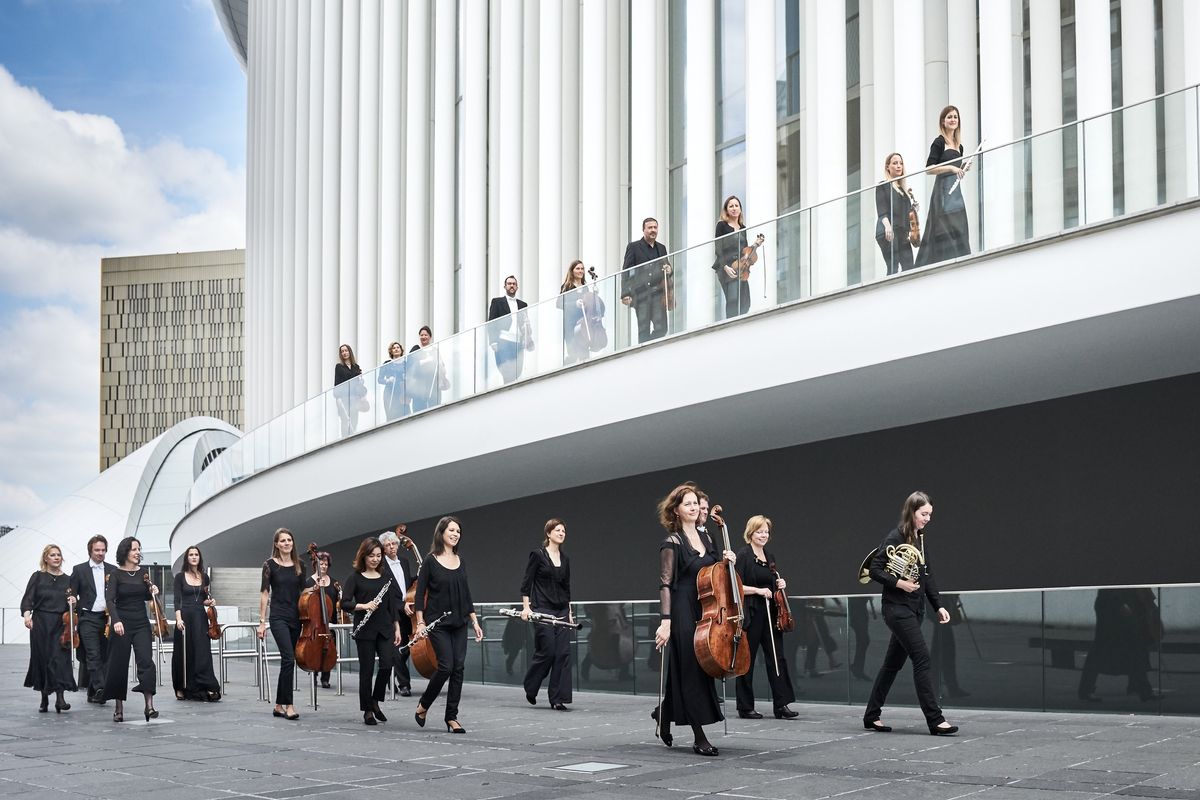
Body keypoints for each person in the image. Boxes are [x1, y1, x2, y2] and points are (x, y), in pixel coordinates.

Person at [862, 491, 958, 735]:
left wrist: (939, 606)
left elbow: (928, 577)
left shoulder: (920, 539)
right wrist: (899, 583)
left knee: (891, 665)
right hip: (896, 609)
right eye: (923, 514)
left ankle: (871, 716)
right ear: (911, 511)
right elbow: (874, 569)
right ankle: (935, 720)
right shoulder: (895, 537)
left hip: (913, 610)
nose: (927, 519)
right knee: (922, 659)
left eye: (929, 515)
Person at [652, 483, 736, 757]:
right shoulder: (672, 542)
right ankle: (699, 736)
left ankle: (663, 713)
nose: (693, 507)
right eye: (687, 503)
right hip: (681, 609)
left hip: (705, 608)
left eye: (695, 503)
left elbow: (714, 574)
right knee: (690, 667)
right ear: (676, 510)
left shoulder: (709, 538)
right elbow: (665, 584)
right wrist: (666, 621)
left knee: (696, 665)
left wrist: (727, 561)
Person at [412, 516, 484, 733]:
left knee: (459, 668)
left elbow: (466, 594)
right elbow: (419, 594)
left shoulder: (461, 560)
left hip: (460, 621)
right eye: (451, 530)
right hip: (438, 622)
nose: (455, 534)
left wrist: (475, 621)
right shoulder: (430, 561)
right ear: (441, 532)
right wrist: (420, 622)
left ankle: (451, 717)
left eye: (458, 532)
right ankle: (423, 705)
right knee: (446, 666)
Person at [733, 516, 798, 720]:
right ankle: (745, 707)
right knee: (747, 660)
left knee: (777, 659)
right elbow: (735, 586)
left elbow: (771, 582)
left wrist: (779, 584)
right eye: (760, 531)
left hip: (771, 614)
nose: (764, 535)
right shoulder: (743, 555)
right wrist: (758, 591)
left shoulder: (769, 556)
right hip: (751, 613)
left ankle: (781, 705)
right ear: (751, 533)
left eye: (766, 532)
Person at [341, 537, 405, 726]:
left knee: (387, 664)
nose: (376, 559)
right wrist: (364, 606)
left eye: (378, 555)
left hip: (385, 628)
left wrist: (397, 627)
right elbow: (344, 603)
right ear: (364, 556)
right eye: (372, 556)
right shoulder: (355, 577)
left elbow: (393, 605)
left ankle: (375, 700)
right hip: (365, 630)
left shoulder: (386, 577)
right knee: (366, 671)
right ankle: (367, 710)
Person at [103, 536, 160, 723]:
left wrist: (153, 591)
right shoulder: (115, 574)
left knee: (146, 661)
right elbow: (110, 600)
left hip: (141, 623)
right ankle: (118, 708)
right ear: (125, 552)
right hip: (122, 624)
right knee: (119, 664)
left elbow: (146, 596)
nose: (138, 553)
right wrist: (116, 621)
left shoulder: (143, 573)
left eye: (139, 549)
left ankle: (149, 706)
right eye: (134, 549)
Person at [520, 518, 574, 711]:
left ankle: (557, 698)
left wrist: (569, 613)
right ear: (548, 533)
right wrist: (527, 608)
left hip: (561, 610)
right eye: (557, 530)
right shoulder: (537, 555)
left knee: (563, 653)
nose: (561, 533)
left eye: (563, 531)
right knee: (548, 651)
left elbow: (566, 588)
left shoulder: (565, 559)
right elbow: (527, 583)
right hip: (542, 609)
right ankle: (531, 685)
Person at [1078, 588, 1162, 703]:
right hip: (1116, 604)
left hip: (1118, 602)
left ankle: (1141, 688)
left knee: (1131, 647)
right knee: (1127, 647)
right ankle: (1141, 689)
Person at [257, 528, 307, 720]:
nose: (287, 543)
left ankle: (278, 705)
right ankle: (289, 705)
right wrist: (262, 622)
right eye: (283, 541)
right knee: (288, 658)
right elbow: (264, 592)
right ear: (276, 544)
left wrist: (316, 586)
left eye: (289, 540)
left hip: (297, 617)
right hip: (278, 617)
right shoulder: (269, 565)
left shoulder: (300, 565)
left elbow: (304, 592)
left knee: (289, 660)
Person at [913, 106, 972, 268]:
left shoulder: (959, 146)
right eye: (949, 117)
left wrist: (964, 166)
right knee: (943, 227)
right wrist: (952, 168)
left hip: (955, 193)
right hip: (942, 192)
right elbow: (929, 169)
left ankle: (961, 263)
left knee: (958, 226)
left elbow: (956, 169)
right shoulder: (939, 142)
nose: (953, 120)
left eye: (955, 117)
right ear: (943, 121)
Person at [21, 544, 78, 713]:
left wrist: (74, 601)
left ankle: (60, 698)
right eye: (52, 555)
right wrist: (26, 616)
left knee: (59, 659)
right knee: (43, 660)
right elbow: (28, 599)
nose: (56, 557)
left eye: (58, 554)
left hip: (61, 624)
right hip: (41, 623)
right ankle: (44, 697)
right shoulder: (38, 577)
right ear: (45, 558)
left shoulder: (68, 579)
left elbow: (74, 602)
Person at [68, 534, 115, 704]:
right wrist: (72, 599)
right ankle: (102, 688)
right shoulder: (79, 569)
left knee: (104, 655)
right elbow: (72, 591)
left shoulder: (112, 569)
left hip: (107, 618)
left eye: (103, 550)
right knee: (92, 654)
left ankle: (93, 693)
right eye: (97, 550)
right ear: (90, 551)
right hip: (87, 617)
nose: (100, 553)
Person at [171, 546, 221, 702]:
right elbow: (177, 600)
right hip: (185, 617)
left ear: (199, 557)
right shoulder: (179, 577)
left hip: (200, 617)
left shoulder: (204, 577)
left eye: (196, 554)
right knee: (183, 652)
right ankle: (180, 687)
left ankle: (204, 685)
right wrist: (178, 619)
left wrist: (210, 601)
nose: (194, 557)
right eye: (191, 555)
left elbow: (202, 599)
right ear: (187, 558)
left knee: (202, 651)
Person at [620, 217, 673, 343]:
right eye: (650, 228)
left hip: (658, 293)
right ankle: (645, 354)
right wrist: (625, 293)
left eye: (655, 227)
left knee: (662, 328)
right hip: (641, 294)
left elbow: (668, 267)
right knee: (643, 329)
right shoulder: (633, 247)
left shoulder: (661, 248)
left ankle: (650, 347)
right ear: (643, 230)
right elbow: (626, 271)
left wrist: (669, 269)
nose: (653, 230)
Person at [379, 530, 417, 696]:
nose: (391, 547)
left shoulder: (405, 561)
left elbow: (407, 585)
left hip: (407, 612)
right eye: (387, 545)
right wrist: (402, 605)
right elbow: (385, 594)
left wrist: (420, 577)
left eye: (394, 543)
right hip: (391, 612)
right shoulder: (381, 567)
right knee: (397, 648)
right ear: (383, 548)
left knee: (407, 649)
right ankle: (404, 684)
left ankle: (389, 677)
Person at [713, 196, 762, 319]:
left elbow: (744, 251)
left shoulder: (743, 228)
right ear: (726, 210)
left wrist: (755, 245)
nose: (734, 208)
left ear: (740, 209)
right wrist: (725, 267)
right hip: (726, 266)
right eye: (731, 206)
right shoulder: (721, 225)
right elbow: (718, 248)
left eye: (736, 206)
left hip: (740, 266)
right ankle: (730, 328)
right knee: (733, 300)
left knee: (745, 302)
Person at [875, 153, 917, 275]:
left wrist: (913, 209)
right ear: (888, 167)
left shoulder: (903, 190)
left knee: (909, 266)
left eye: (901, 163)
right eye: (895, 163)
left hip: (902, 232)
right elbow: (881, 210)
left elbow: (906, 213)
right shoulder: (883, 185)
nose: (899, 166)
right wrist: (888, 227)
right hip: (888, 230)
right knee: (893, 265)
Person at [557, 260, 606, 365]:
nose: (580, 271)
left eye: (582, 268)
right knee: (574, 353)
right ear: (572, 271)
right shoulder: (566, 286)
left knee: (584, 354)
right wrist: (575, 303)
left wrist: (594, 296)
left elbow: (589, 305)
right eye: (578, 268)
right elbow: (559, 303)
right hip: (571, 324)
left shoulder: (585, 287)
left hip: (584, 323)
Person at [487, 276, 533, 384]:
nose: (511, 285)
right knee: (507, 370)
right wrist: (493, 341)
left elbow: (526, 324)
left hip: (518, 342)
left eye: (514, 284)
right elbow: (491, 322)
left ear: (517, 287)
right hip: (504, 340)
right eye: (509, 283)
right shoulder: (497, 302)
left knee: (518, 371)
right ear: (505, 286)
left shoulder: (523, 305)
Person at [310, 552, 341, 689]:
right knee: (315, 648)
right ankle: (314, 672)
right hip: (315, 622)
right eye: (321, 563)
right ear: (315, 565)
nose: (323, 566)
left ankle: (325, 677)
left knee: (329, 648)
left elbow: (337, 602)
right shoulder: (309, 582)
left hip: (330, 621)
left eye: (326, 564)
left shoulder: (333, 582)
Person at [408, 326, 449, 413]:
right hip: (419, 386)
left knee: (434, 410)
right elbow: (409, 366)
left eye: (426, 335)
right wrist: (425, 361)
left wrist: (442, 376)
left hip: (433, 385)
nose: (423, 337)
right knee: (419, 410)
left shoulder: (435, 350)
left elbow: (441, 365)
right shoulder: (416, 349)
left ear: (430, 337)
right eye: (421, 335)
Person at [334, 343, 367, 436]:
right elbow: (337, 383)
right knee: (345, 421)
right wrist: (337, 397)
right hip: (344, 398)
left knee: (354, 420)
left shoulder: (356, 366)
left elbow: (358, 384)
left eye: (346, 350)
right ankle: (344, 440)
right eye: (342, 351)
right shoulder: (339, 366)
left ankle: (352, 438)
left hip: (354, 398)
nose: (344, 353)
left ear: (349, 352)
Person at [377, 342, 408, 421]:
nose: (396, 349)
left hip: (402, 392)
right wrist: (388, 380)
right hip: (390, 392)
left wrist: (406, 377)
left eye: (398, 347)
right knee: (391, 415)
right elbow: (379, 379)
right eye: (394, 348)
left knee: (404, 414)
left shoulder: (405, 363)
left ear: (401, 350)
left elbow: (410, 377)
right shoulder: (387, 363)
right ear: (391, 351)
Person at [848, 596, 875, 681]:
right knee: (864, 641)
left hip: (861, 615)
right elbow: (855, 602)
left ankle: (857, 667)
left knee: (863, 641)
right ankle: (857, 668)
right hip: (857, 616)